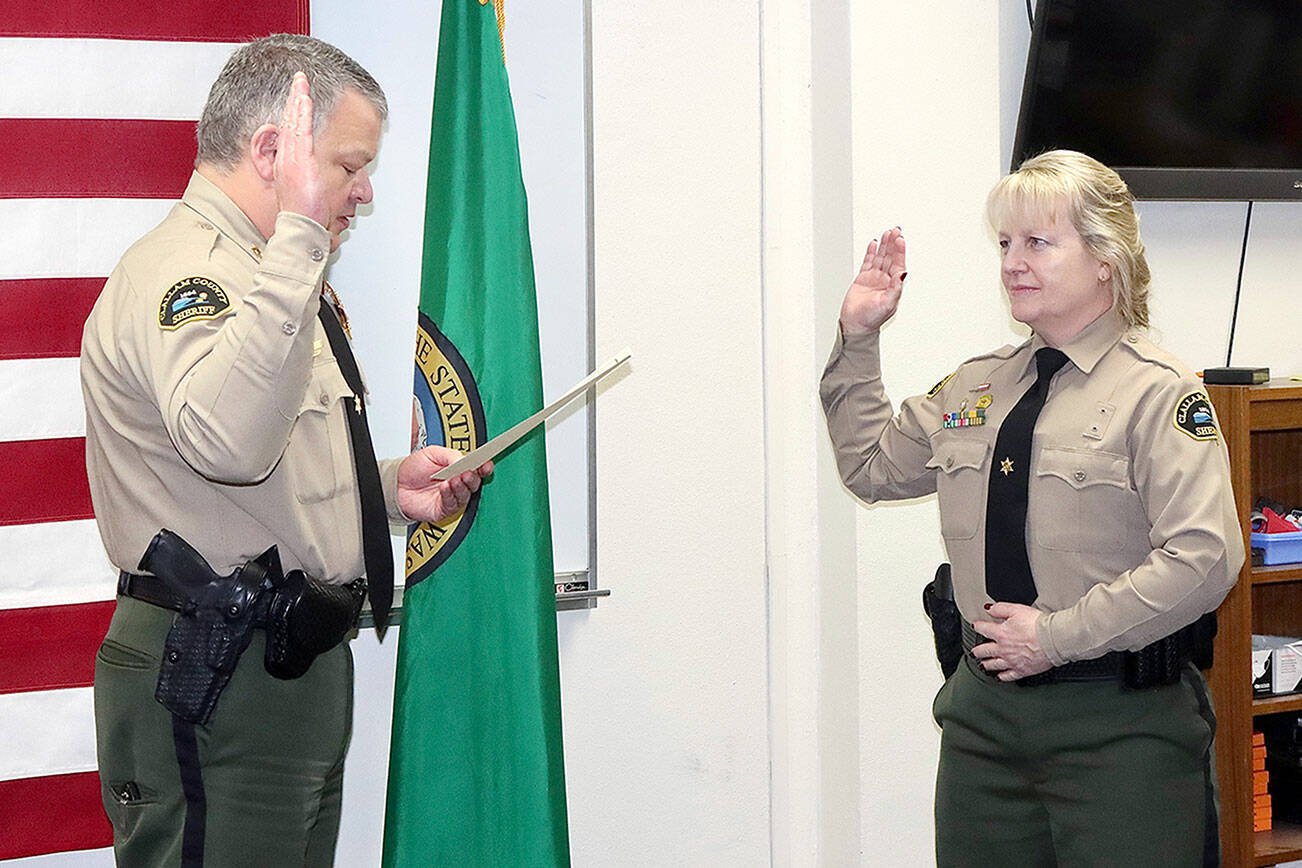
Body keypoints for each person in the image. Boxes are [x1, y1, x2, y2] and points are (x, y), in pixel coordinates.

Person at [81, 34, 491, 866]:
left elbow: (266, 474)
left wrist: (385, 491)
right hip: (210, 671)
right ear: (274, 151)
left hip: (279, 668)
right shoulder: (192, 277)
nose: (361, 192)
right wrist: (301, 236)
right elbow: (229, 442)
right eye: (347, 166)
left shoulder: (268, 274)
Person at [820, 150, 1243, 865]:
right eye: (1006, 244)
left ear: (1105, 259)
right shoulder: (978, 387)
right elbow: (870, 469)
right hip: (984, 729)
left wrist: (1056, 637)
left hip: (1119, 728)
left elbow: (1204, 560)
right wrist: (859, 337)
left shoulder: (1159, 393)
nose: (1014, 262)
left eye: (1039, 243)